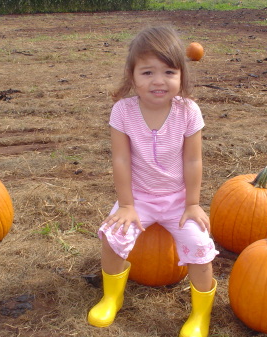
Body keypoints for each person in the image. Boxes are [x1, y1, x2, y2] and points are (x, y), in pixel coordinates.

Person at [87, 25, 219, 337]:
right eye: (147, 72)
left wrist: (193, 203)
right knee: (112, 236)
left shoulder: (188, 111)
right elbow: (120, 160)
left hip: (177, 199)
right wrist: (128, 205)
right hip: (139, 197)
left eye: (169, 72)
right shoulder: (122, 111)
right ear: (131, 76)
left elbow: (192, 160)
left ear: (182, 76)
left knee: (200, 245)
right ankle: (111, 296)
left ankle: (200, 315)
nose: (158, 81)